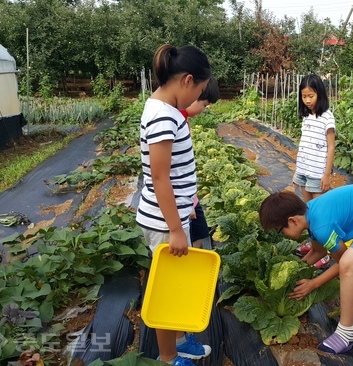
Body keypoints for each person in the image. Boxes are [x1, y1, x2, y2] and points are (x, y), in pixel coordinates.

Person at [259, 184, 353, 354]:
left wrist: (313, 283)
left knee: (348, 263)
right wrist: (293, 271)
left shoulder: (322, 226)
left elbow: (341, 264)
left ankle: (345, 334)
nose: (282, 235)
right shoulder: (310, 213)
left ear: (292, 221)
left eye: (280, 231)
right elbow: (318, 250)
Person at [137, 44, 212, 366]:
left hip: (174, 215)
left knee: (175, 286)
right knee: (167, 293)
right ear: (187, 81)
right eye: (199, 91)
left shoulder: (165, 110)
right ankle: (168, 357)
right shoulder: (163, 115)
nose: (196, 99)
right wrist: (176, 229)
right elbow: (160, 177)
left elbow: (176, 174)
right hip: (163, 223)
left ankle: (179, 342)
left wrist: (187, 208)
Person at [292, 74, 336, 268]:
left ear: (320, 94)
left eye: (311, 96)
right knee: (309, 214)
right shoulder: (306, 117)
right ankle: (314, 246)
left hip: (318, 173)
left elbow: (331, 147)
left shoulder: (327, 117)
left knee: (321, 216)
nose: (307, 100)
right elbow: (303, 146)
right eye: (304, 96)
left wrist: (326, 174)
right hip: (304, 171)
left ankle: (326, 252)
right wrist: (297, 172)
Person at [179, 77, 219, 249]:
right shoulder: (176, 121)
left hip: (190, 197)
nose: (204, 109)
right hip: (183, 200)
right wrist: (187, 203)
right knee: (195, 235)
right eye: (204, 104)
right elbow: (173, 170)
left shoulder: (183, 119)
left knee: (201, 232)